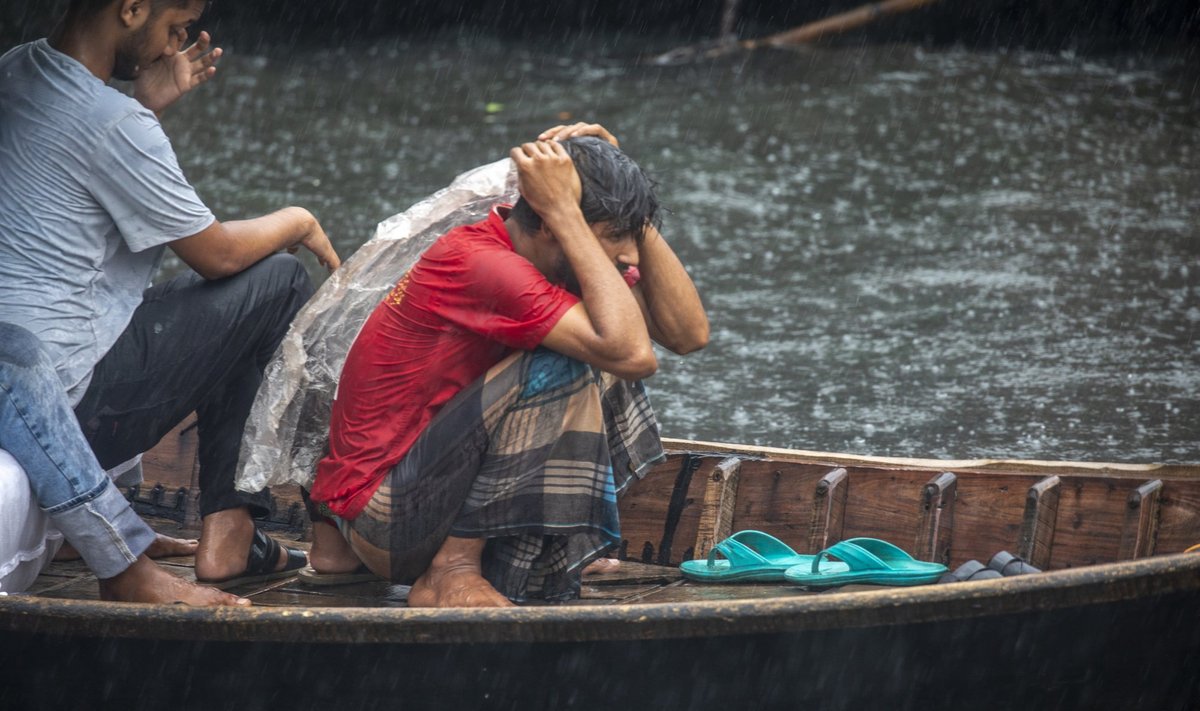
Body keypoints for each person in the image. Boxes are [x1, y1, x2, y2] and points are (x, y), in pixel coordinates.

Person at [0, 0, 341, 604]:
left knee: (226, 304)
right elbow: (218, 256)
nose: (171, 47)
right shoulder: (113, 123)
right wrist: (299, 218)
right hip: (69, 403)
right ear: (130, 9)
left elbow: (81, 172)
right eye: (173, 28)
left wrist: (141, 108)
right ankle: (231, 528)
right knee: (277, 278)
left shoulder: (16, 69)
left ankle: (218, 528)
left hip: (29, 367)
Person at [304, 125, 708, 606]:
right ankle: (450, 570)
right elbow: (634, 356)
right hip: (387, 521)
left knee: (604, 331)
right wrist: (564, 209)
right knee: (573, 359)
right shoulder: (481, 261)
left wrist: (623, 197)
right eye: (616, 236)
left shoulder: (558, 258)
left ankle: (557, 530)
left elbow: (687, 335)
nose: (629, 253)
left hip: (416, 504)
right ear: (544, 220)